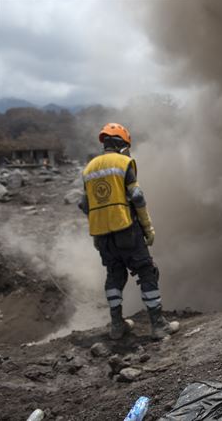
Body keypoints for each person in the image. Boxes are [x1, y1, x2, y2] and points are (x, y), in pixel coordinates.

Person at [79, 123, 179, 340]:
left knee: (114, 275)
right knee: (146, 271)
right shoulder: (123, 163)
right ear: (121, 144)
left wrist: (97, 230)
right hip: (127, 230)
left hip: (103, 237)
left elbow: (83, 204)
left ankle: (116, 326)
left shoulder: (88, 169)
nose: (127, 149)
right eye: (126, 145)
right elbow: (137, 197)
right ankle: (158, 326)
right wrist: (148, 227)